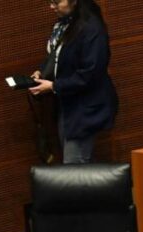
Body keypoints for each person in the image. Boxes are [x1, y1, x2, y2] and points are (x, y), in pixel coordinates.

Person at [30, 0, 118, 164]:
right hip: (68, 105)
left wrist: (54, 86)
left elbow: (90, 74)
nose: (51, 6)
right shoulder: (64, 24)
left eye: (57, 2)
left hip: (85, 108)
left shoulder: (92, 28)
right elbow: (57, 56)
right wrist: (43, 72)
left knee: (74, 167)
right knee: (81, 166)